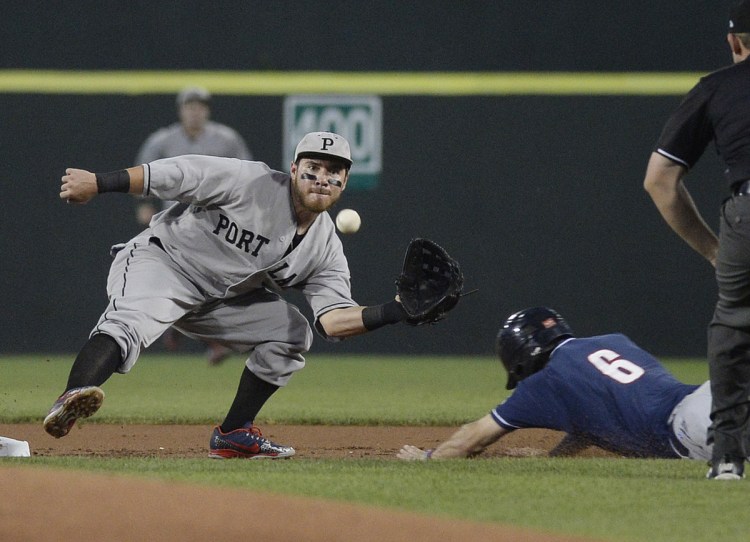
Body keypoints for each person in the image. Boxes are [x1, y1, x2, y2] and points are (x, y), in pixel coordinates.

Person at [44, 131, 433, 459]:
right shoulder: (250, 181)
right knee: (129, 323)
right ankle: (72, 395)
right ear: (295, 169)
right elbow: (175, 174)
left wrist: (397, 311)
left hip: (218, 301)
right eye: (313, 167)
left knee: (294, 333)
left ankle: (233, 434)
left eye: (334, 171)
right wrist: (99, 182)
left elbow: (333, 320)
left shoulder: (325, 248)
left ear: (345, 183)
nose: (322, 177)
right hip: (164, 263)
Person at [642, 0, 750, 480]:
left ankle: (727, 455)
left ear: (734, 41)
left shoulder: (717, 88)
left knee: (735, 325)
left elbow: (659, 179)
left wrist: (713, 250)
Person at [398, 307, 716, 469]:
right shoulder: (611, 341)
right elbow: (594, 420)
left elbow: (474, 437)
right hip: (710, 394)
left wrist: (428, 458)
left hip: (693, 428)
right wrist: (554, 457)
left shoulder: (544, 382)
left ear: (520, 358)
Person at [135, 85, 253, 365]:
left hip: (216, 224)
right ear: (181, 110)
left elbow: (248, 175)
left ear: (207, 110)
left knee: (212, 283)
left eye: (200, 106)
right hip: (174, 224)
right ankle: (202, 334)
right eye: (190, 106)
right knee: (185, 281)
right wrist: (145, 204)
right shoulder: (163, 140)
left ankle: (187, 328)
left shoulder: (226, 139)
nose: (195, 111)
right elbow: (143, 173)